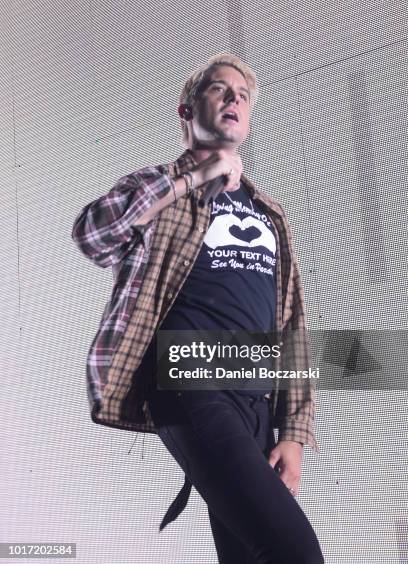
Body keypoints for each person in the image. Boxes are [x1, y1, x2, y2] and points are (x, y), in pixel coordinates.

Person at [71, 52, 325, 564]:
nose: (234, 98)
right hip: (190, 379)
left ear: (248, 120)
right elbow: (92, 236)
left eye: (243, 95)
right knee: (293, 551)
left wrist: (293, 432)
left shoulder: (270, 214)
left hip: (256, 402)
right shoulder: (156, 187)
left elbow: (293, 323)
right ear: (187, 110)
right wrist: (194, 177)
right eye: (219, 89)